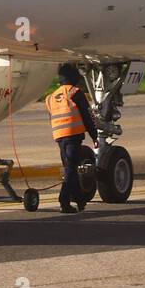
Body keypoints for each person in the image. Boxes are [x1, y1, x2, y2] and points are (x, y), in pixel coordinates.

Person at [45, 63, 98, 214]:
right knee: (70, 169)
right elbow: (87, 117)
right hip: (72, 135)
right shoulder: (75, 92)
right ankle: (63, 200)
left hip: (59, 136)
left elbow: (52, 118)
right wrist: (94, 136)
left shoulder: (51, 97)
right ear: (74, 77)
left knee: (71, 169)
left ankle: (80, 200)